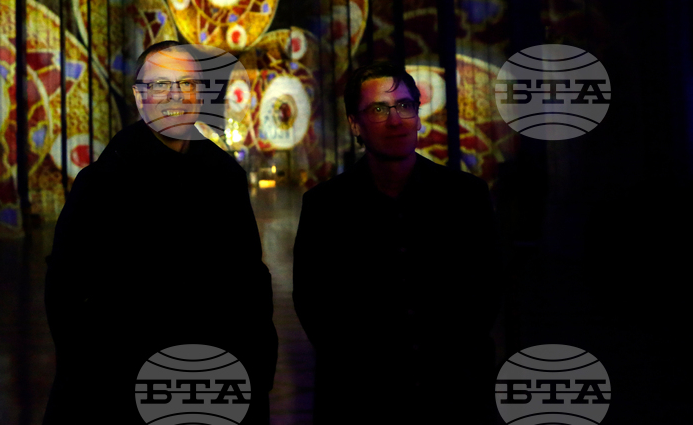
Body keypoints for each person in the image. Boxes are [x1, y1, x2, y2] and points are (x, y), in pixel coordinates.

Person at [44, 41, 278, 424]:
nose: (174, 96)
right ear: (140, 98)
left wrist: (257, 364)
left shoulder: (225, 178)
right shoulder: (103, 183)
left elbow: (249, 279)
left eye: (186, 84)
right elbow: (66, 293)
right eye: (159, 85)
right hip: (122, 384)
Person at [293, 61, 499, 423]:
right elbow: (314, 304)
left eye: (405, 106)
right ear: (355, 124)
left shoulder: (465, 197)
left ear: (419, 116)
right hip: (361, 400)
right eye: (378, 109)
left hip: (452, 397)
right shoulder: (325, 207)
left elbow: (485, 295)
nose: (395, 119)